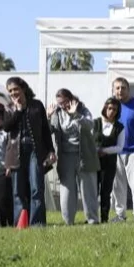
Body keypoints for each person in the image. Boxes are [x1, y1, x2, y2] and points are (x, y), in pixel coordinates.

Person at [3, 76, 55, 227]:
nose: (13, 93)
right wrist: (18, 110)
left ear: (23, 88)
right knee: (17, 190)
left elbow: (45, 130)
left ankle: (37, 223)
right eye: (10, 91)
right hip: (15, 152)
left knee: (36, 187)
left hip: (35, 150)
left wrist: (51, 150)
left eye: (16, 89)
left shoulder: (37, 105)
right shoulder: (8, 108)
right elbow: (6, 127)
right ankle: (20, 222)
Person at [48, 88, 100, 225]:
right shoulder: (57, 113)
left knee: (88, 190)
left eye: (65, 102)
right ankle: (68, 221)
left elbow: (90, 125)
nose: (63, 106)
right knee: (67, 190)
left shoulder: (82, 109)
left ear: (71, 99)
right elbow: (49, 131)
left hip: (85, 155)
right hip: (66, 156)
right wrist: (48, 117)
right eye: (60, 104)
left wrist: (76, 114)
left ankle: (93, 220)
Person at [110, 77, 134, 223]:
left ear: (128, 89)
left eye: (123, 87)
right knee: (117, 186)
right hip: (115, 151)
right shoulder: (111, 106)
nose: (120, 90)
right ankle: (120, 215)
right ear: (114, 90)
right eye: (117, 88)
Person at [94, 97, 125, 224]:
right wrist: (96, 150)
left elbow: (120, 147)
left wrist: (104, 151)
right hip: (94, 162)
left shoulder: (119, 127)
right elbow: (89, 140)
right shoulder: (95, 122)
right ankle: (92, 217)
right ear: (105, 108)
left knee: (106, 191)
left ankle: (104, 218)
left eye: (114, 109)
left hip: (110, 163)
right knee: (93, 191)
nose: (111, 111)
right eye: (109, 108)